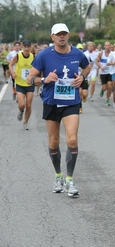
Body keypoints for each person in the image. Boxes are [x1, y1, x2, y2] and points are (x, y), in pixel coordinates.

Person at [27, 23, 91, 197]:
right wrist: (44, 79)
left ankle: (70, 180)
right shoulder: (44, 55)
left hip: (71, 102)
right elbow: (29, 79)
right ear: (52, 37)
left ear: (68, 35)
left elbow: (87, 66)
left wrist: (82, 78)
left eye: (64, 34)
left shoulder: (77, 54)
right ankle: (58, 176)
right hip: (51, 102)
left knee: (72, 139)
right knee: (54, 142)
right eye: (58, 34)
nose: (61, 37)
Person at [9, 40, 35, 130]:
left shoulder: (33, 56)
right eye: (25, 46)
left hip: (30, 84)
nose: (27, 48)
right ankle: (20, 111)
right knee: (22, 104)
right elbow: (11, 64)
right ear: (22, 47)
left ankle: (26, 122)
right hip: (20, 83)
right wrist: (12, 73)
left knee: (28, 105)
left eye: (28, 46)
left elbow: (37, 68)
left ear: (31, 47)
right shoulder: (18, 56)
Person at [96, 41, 112, 106]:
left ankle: (107, 99)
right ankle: (102, 90)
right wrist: (100, 66)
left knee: (109, 86)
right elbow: (97, 61)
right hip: (103, 73)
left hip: (110, 72)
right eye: (106, 45)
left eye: (108, 45)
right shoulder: (101, 54)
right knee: (104, 88)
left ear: (110, 46)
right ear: (104, 46)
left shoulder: (113, 54)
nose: (107, 47)